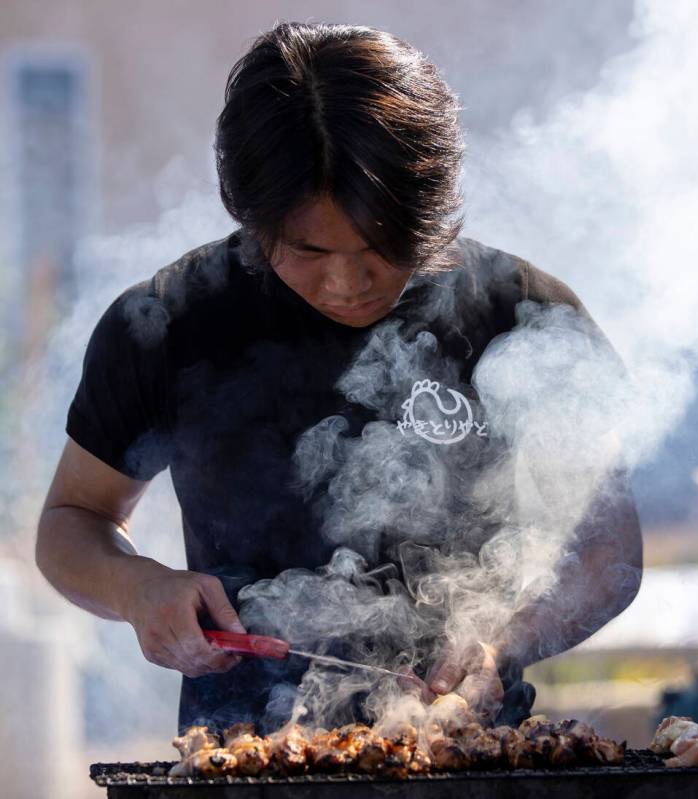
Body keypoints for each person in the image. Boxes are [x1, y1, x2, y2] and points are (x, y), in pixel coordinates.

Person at [35, 22, 642, 732]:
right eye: (308, 249)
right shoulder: (171, 324)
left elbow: (608, 549)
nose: (349, 280)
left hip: (472, 757)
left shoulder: (523, 318)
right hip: (244, 760)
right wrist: (137, 585)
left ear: (430, 203)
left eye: (384, 244)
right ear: (254, 218)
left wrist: (502, 638)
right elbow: (72, 522)